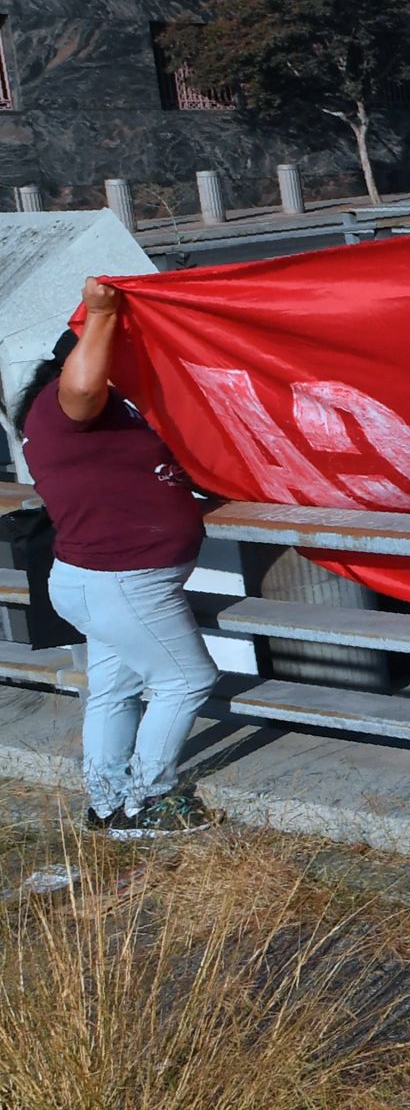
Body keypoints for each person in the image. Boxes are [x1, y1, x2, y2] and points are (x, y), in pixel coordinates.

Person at [12, 278, 221, 840]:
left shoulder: (99, 414)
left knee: (114, 690)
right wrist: (103, 314)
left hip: (96, 576)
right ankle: (148, 802)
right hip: (125, 580)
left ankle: (105, 804)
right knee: (186, 681)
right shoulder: (65, 405)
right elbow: (82, 388)